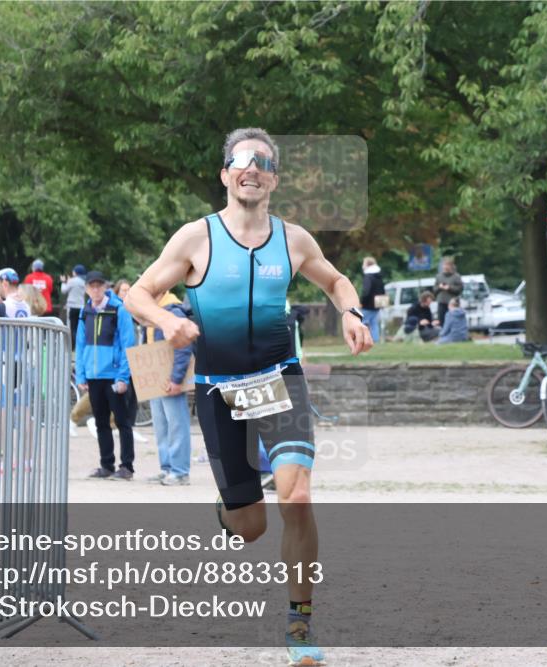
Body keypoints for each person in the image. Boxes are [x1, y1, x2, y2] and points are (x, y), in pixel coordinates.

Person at [124, 127, 373, 666]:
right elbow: (138, 294)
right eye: (241, 161)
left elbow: (336, 282)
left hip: (279, 378)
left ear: (274, 179)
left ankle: (299, 624)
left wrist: (352, 313)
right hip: (221, 388)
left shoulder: (294, 239)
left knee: (297, 496)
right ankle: (231, 508)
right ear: (226, 175)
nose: (252, 168)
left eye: (263, 162)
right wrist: (167, 320)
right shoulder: (196, 238)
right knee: (250, 527)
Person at [76, 271, 138, 481]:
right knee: (101, 422)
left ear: (106, 287)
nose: (95, 289)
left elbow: (128, 344)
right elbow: (80, 344)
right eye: (91, 286)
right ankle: (107, 465)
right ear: (86, 289)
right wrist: (81, 375)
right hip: (94, 376)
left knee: (122, 422)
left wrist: (123, 377)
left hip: (114, 375)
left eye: (99, 286)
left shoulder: (119, 310)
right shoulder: (85, 311)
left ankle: (127, 467)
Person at [144, 291, 193, 486]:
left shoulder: (173, 311)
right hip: (158, 377)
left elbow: (183, 346)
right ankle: (167, 468)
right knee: (161, 426)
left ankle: (180, 471)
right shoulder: (154, 312)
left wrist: (176, 379)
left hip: (170, 378)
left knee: (176, 425)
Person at [60, 264, 87, 348]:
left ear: (75, 272)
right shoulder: (85, 281)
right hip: (81, 306)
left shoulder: (72, 281)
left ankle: (72, 345)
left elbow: (64, 290)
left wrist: (64, 282)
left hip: (72, 306)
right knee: (80, 327)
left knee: (71, 326)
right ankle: (79, 345)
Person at [359, 256, 386, 343]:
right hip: (377, 304)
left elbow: (366, 291)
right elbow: (382, 290)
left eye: (364, 264)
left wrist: (362, 302)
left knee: (361, 321)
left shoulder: (368, 276)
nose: (363, 266)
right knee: (374, 323)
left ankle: (362, 339)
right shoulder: (379, 276)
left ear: (368, 265)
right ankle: (375, 340)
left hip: (368, 304)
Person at [434, 256, 463, 328]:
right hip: (442, 303)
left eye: (447, 265)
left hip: (453, 304)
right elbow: (434, 290)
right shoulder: (438, 276)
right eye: (444, 265)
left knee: (454, 322)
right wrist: (440, 287)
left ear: (451, 266)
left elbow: (459, 289)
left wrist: (449, 288)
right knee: (442, 322)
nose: (445, 267)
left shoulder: (456, 276)